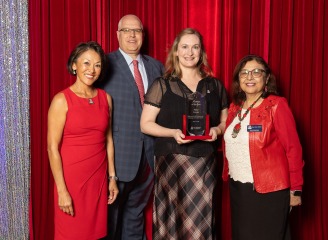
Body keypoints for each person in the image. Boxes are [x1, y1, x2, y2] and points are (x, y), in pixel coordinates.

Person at [140, 28, 228, 239]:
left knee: (201, 221)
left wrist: (217, 129)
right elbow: (145, 124)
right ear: (176, 52)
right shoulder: (162, 84)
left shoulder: (215, 86)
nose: (190, 52)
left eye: (195, 47)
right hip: (171, 165)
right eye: (185, 47)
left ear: (202, 52)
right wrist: (172, 132)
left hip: (204, 164)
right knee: (172, 221)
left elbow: (227, 121)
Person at [223, 54, 304, 240]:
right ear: (238, 79)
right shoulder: (235, 107)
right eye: (244, 73)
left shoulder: (276, 105)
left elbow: (293, 149)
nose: (249, 77)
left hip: (269, 190)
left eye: (256, 72)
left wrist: (296, 190)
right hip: (239, 189)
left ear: (267, 77)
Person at [98, 14, 164, 240]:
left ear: (143, 35)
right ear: (117, 34)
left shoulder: (156, 66)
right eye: (127, 30)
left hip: (150, 156)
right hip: (118, 156)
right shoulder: (104, 64)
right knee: (110, 218)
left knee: (135, 214)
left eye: (137, 31)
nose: (132, 35)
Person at [47, 41, 119, 240]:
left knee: (97, 235)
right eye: (86, 63)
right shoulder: (61, 100)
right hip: (71, 181)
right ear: (74, 66)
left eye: (97, 65)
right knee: (70, 234)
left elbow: (108, 140)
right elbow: (52, 148)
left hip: (97, 181)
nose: (92, 70)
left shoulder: (106, 98)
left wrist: (112, 178)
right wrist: (62, 190)